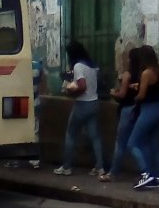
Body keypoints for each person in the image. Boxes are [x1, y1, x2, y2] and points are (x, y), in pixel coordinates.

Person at [54, 41, 104, 176]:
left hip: (83, 104)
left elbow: (82, 86)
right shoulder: (92, 65)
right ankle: (100, 167)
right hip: (94, 102)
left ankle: (66, 167)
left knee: (70, 134)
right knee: (95, 136)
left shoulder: (78, 66)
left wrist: (70, 91)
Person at [126, 45, 159, 189]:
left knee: (132, 142)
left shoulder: (146, 73)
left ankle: (146, 173)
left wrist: (134, 95)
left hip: (148, 110)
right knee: (154, 145)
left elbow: (142, 95)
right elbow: (153, 88)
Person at [99, 47, 140, 182]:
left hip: (127, 109)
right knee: (138, 141)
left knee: (121, 142)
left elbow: (122, 94)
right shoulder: (142, 74)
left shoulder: (128, 74)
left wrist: (112, 93)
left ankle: (113, 172)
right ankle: (146, 170)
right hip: (138, 108)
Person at [29, 60, 43, 169]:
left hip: (20, 102)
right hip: (35, 101)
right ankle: (35, 159)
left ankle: (14, 159)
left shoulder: (19, 64)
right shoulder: (38, 66)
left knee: (17, 129)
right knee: (35, 131)